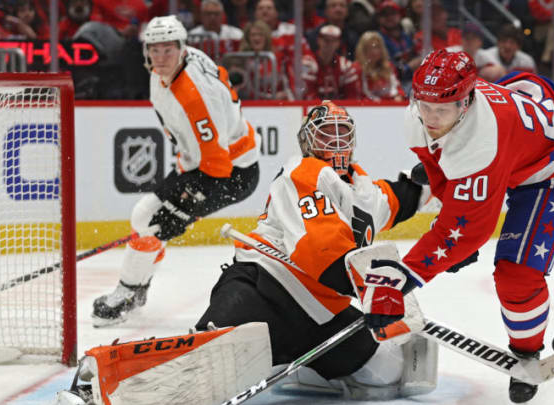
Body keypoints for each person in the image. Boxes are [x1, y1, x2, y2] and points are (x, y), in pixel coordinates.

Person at [55, 101, 442, 405]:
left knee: (387, 378)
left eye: (343, 134)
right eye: (326, 135)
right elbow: (323, 253)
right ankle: (99, 375)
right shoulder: (305, 172)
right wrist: (376, 291)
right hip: (265, 289)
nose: (335, 142)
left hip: (324, 314)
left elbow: (402, 197)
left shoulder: (366, 191)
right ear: (308, 142)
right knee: (203, 369)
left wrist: (432, 177)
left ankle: (290, 361)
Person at [358, 50, 554, 403]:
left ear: (466, 103)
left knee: (516, 275)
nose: (431, 118)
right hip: (523, 117)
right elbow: (441, 173)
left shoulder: (481, 143)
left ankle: (526, 353)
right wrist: (452, 227)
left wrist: (406, 275)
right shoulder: (424, 113)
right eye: (424, 105)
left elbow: (467, 229)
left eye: (443, 109)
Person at [91, 15, 261, 327]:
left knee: (149, 219)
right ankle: (135, 287)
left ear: (182, 49)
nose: (161, 57)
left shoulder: (196, 96)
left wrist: (185, 210)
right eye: (154, 50)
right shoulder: (166, 69)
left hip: (231, 173)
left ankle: (129, 290)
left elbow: (217, 167)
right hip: (202, 164)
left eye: (168, 50)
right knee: (147, 219)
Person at [303, 24, 361, 100]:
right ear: (318, 40)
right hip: (314, 110)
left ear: (338, 43)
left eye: (333, 40)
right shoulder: (307, 63)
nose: (329, 44)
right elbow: (307, 95)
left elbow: (352, 97)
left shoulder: (346, 66)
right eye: (326, 40)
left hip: (338, 109)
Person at [353, 31, 406, 101]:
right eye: (369, 48)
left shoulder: (388, 66)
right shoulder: (357, 69)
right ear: (363, 50)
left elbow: (398, 89)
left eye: (376, 47)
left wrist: (399, 96)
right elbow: (358, 96)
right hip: (368, 108)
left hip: (389, 105)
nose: (373, 51)